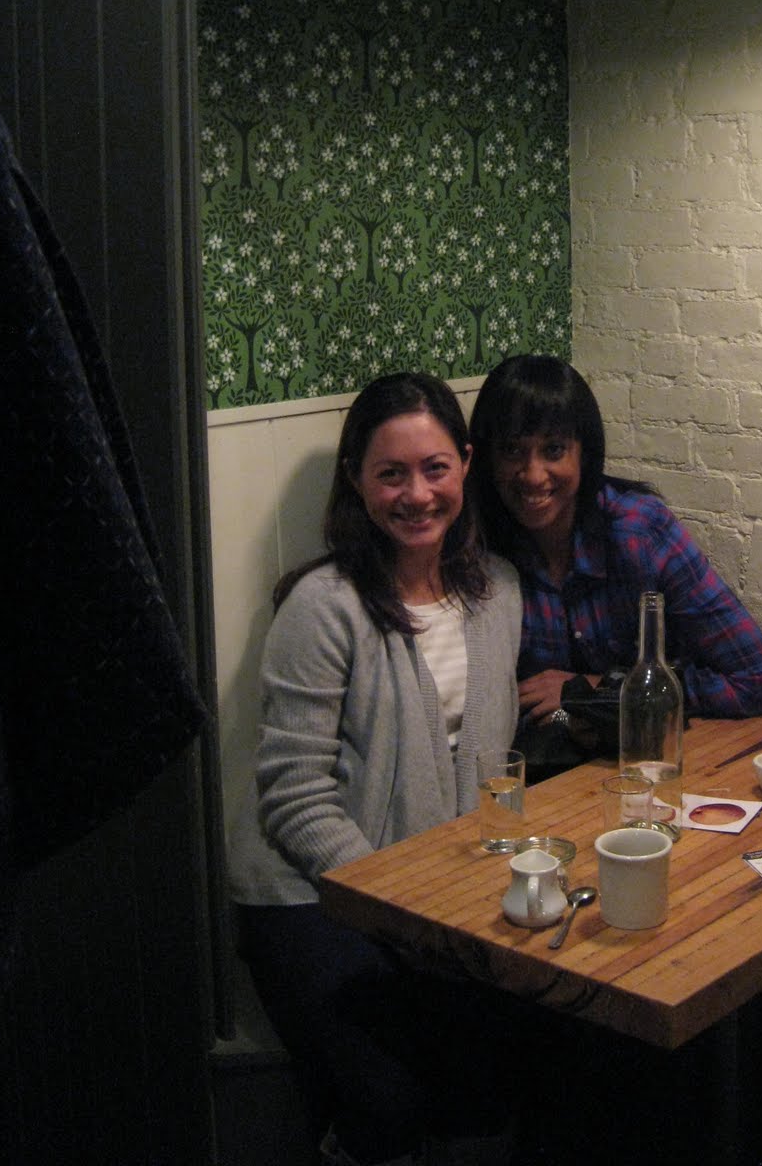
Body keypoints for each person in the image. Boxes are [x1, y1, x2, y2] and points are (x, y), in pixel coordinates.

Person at [228, 371, 523, 1166]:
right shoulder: (323, 605)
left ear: (466, 464)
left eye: (434, 468)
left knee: (490, 1082)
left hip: (423, 890)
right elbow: (294, 796)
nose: (417, 494)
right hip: (308, 887)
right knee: (388, 1102)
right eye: (391, 473)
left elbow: (486, 764)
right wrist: (399, 911)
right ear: (356, 480)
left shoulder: (499, 592)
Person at [467, 355, 762, 759]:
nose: (533, 474)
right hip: (544, 765)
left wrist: (599, 689)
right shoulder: (475, 548)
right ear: (487, 457)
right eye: (512, 450)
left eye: (554, 450)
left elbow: (756, 679)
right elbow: (502, 714)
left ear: (584, 453)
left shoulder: (637, 530)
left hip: (648, 759)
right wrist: (577, 713)